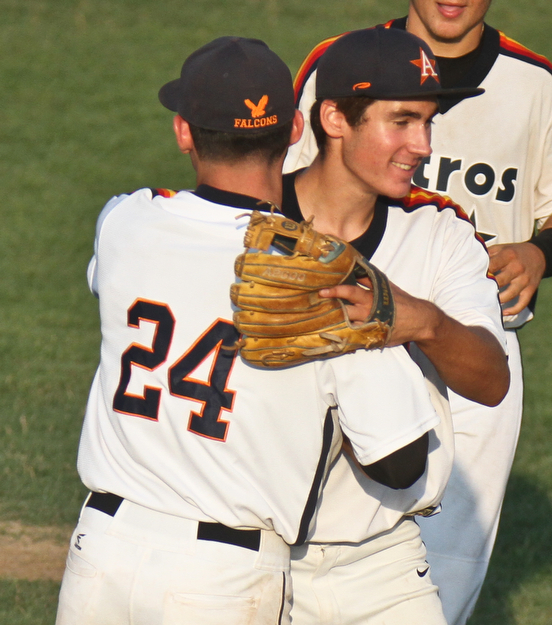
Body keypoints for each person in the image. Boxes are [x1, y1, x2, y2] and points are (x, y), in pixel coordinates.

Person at [54, 36, 448, 625]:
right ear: (294, 130)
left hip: (101, 551)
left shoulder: (124, 222)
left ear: (183, 131)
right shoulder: (323, 278)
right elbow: (400, 463)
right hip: (221, 581)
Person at [285, 3, 552, 623]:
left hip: (474, 344)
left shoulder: (536, 85)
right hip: (337, 332)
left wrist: (539, 254)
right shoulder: (341, 65)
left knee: (443, 571)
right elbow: (283, 183)